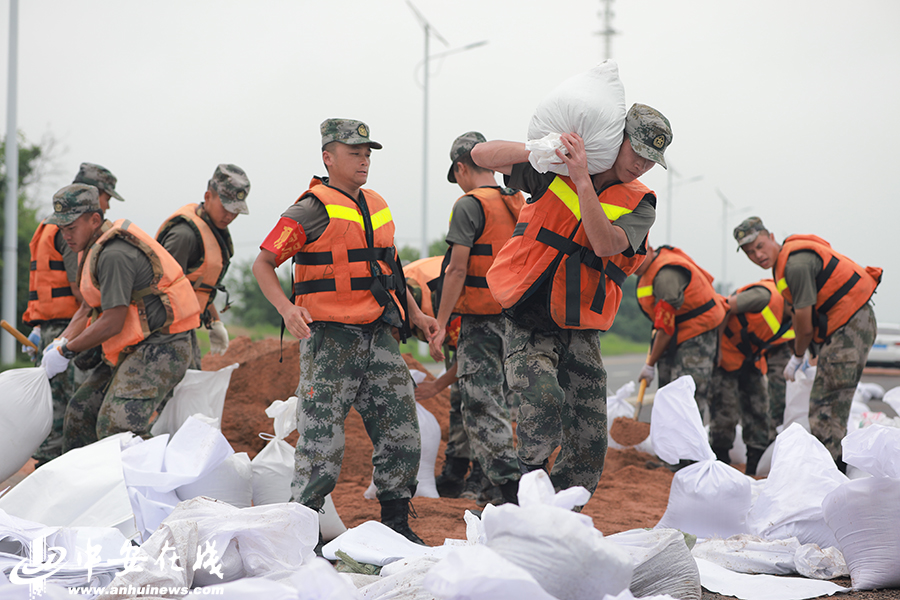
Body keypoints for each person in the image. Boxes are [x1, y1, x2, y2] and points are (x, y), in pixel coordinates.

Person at [252, 119, 439, 544]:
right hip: (330, 341)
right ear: (328, 158)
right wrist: (286, 308)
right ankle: (305, 533)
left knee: (402, 431)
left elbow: (391, 268)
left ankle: (396, 523)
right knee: (321, 442)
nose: (363, 161)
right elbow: (263, 262)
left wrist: (416, 314)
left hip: (380, 336)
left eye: (367, 153)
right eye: (354, 153)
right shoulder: (309, 210)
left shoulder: (377, 204)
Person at [474, 103, 671, 497]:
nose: (642, 165)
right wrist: (544, 149)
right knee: (542, 398)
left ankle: (563, 511)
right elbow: (481, 155)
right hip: (528, 315)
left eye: (651, 160)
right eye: (637, 152)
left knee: (589, 439)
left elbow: (604, 244)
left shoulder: (641, 203)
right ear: (616, 139)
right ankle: (526, 489)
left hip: (581, 326)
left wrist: (583, 181)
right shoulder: (554, 172)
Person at [40, 184, 200, 451]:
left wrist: (68, 351)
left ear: (94, 220)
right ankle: (87, 477)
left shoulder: (114, 253)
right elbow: (87, 307)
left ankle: (161, 475)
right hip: (133, 344)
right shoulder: (90, 247)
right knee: (81, 413)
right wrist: (60, 342)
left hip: (163, 346)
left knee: (118, 427)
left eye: (71, 227)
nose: (65, 235)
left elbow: (113, 321)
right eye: (61, 228)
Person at [734, 216, 881, 470]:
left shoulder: (795, 265)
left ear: (771, 237)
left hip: (851, 326)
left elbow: (804, 320)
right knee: (826, 404)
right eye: (749, 252)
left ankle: (830, 473)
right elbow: (800, 313)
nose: (757, 255)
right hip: (845, 326)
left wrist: (798, 355)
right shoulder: (784, 266)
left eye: (759, 246)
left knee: (826, 406)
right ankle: (831, 471)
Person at [428, 131, 524, 506]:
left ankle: (506, 492)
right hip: (517, 320)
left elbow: (456, 270)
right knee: (506, 405)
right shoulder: (516, 200)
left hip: (482, 323)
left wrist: (440, 323)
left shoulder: (469, 205)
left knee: (482, 407)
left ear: (461, 168)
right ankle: (496, 484)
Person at [23, 163, 124, 465]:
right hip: (70, 330)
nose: (106, 206)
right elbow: (81, 291)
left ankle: (47, 468)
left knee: (53, 407)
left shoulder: (48, 226)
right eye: (106, 197)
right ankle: (58, 471)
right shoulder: (72, 230)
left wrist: (40, 328)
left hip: (51, 329)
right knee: (70, 409)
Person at [157, 164, 250, 366]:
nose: (230, 216)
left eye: (235, 211)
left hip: (184, 328)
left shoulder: (212, 229)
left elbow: (198, 285)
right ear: (208, 197)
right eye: (226, 208)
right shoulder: (184, 235)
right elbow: (163, 291)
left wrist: (214, 321)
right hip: (164, 333)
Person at [710, 279, 794, 475]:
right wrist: (716, 349)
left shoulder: (793, 318)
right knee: (725, 410)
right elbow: (725, 308)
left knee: (759, 408)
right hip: (727, 353)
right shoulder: (764, 296)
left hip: (751, 359)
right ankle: (720, 463)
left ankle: (754, 466)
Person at [635, 245, 727, 425]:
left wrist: (649, 365)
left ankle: (688, 442)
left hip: (698, 331)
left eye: (637, 256)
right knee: (667, 394)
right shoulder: (647, 272)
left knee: (687, 396)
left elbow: (665, 329)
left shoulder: (666, 276)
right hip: (675, 331)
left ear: (650, 249)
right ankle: (668, 440)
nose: (633, 263)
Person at [404, 255, 470, 498]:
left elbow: (473, 356)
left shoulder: (443, 299)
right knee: (460, 400)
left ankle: (485, 477)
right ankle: (455, 471)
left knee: (479, 400)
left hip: (488, 324)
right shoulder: (400, 290)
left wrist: (437, 385)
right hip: (456, 326)